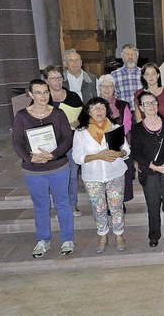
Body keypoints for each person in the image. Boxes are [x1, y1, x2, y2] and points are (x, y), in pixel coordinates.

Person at [12, 79, 75, 257]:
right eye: (38, 92)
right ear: (30, 95)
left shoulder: (58, 113)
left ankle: (67, 239)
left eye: (45, 92)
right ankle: (43, 240)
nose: (43, 96)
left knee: (62, 203)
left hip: (58, 167)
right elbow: (17, 143)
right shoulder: (22, 116)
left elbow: (67, 139)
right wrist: (31, 158)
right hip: (33, 170)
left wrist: (52, 155)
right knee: (41, 206)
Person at [72, 97, 130, 253]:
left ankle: (119, 235)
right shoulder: (81, 132)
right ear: (88, 111)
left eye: (102, 107)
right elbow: (77, 157)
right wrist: (98, 156)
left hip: (115, 173)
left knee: (116, 206)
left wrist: (119, 153)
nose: (99, 111)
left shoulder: (115, 127)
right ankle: (103, 235)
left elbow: (126, 149)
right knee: (98, 208)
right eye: (95, 107)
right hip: (93, 176)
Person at [131, 91, 164, 247]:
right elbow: (136, 153)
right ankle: (154, 235)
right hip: (149, 170)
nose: (151, 106)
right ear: (141, 107)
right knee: (152, 204)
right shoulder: (137, 129)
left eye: (153, 102)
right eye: (146, 103)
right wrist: (153, 166)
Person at [44, 65, 84, 217]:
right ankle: (56, 205)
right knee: (52, 176)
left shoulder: (73, 96)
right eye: (53, 78)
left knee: (72, 176)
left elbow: (84, 114)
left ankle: (72, 205)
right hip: (51, 145)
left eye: (60, 77)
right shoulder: (43, 98)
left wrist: (78, 122)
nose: (57, 81)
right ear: (47, 81)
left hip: (71, 142)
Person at [97, 74, 135, 206]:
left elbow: (127, 125)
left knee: (119, 175)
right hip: (99, 145)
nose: (107, 89)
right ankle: (105, 202)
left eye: (110, 86)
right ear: (99, 88)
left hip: (119, 144)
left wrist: (114, 139)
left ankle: (119, 201)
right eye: (104, 86)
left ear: (114, 88)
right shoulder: (93, 104)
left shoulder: (123, 104)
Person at [111, 44, 142, 112]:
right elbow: (112, 97)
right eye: (127, 54)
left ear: (137, 56)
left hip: (142, 112)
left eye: (133, 54)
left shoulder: (144, 73)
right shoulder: (114, 75)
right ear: (122, 56)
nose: (130, 57)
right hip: (123, 114)